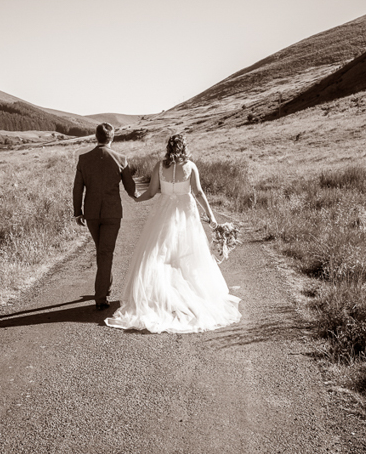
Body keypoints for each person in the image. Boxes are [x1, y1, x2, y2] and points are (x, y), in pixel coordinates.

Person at [105, 133, 241, 333]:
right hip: (186, 216)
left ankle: (159, 297)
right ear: (184, 147)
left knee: (160, 254)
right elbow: (198, 193)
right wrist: (212, 218)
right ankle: (189, 295)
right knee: (187, 254)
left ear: (168, 147)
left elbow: (151, 193)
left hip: (163, 214)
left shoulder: (160, 166)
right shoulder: (191, 166)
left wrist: (136, 199)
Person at [73, 123, 138, 310]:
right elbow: (130, 188)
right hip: (112, 213)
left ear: (96, 136)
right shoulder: (120, 158)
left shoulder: (83, 159)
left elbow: (78, 188)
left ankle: (104, 289)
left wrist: (77, 212)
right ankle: (101, 297)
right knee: (105, 252)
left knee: (103, 251)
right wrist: (141, 196)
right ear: (112, 137)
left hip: (91, 213)